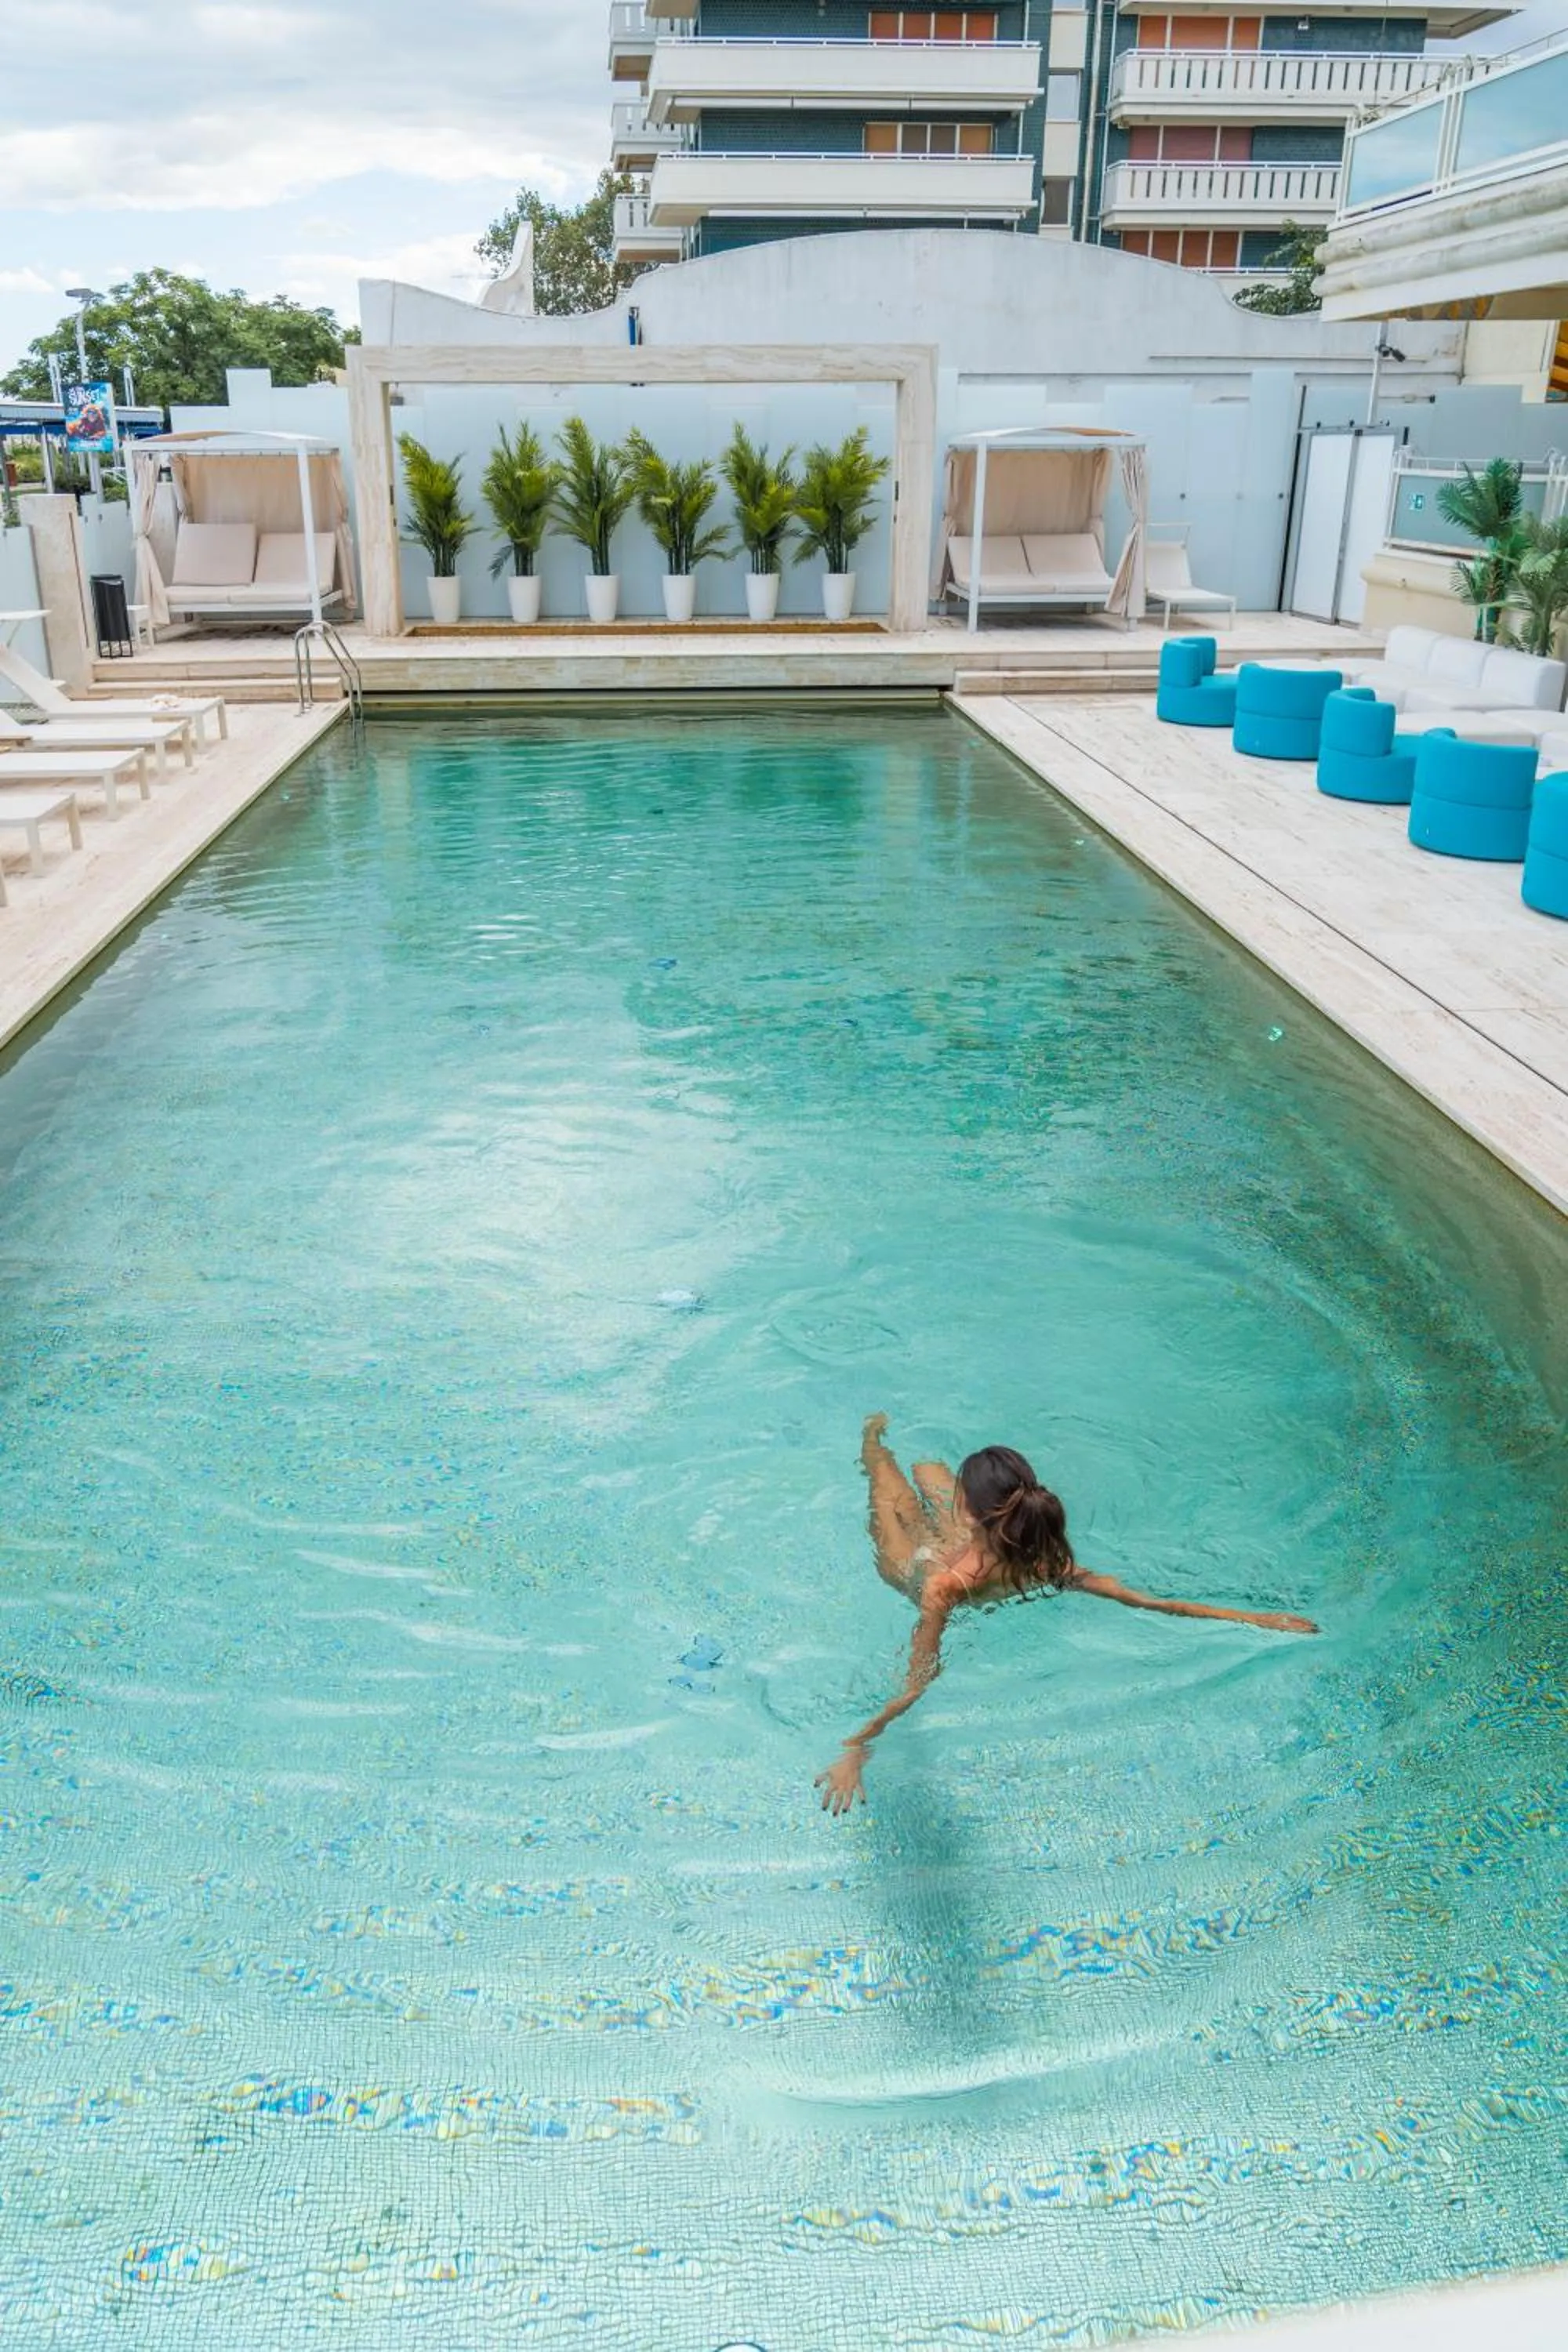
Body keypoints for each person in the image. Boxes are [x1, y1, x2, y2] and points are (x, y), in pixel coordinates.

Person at [815, 1414, 1318, 1816]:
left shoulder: (945, 1589)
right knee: (929, 1473)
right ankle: (902, 1455)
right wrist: (1254, 1618)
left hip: (918, 1569)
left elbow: (918, 1678)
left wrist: (859, 1746)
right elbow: (1148, 1602)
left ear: (972, 1512)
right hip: (969, 1546)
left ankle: (872, 1433)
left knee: (891, 1488)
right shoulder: (1044, 1562)